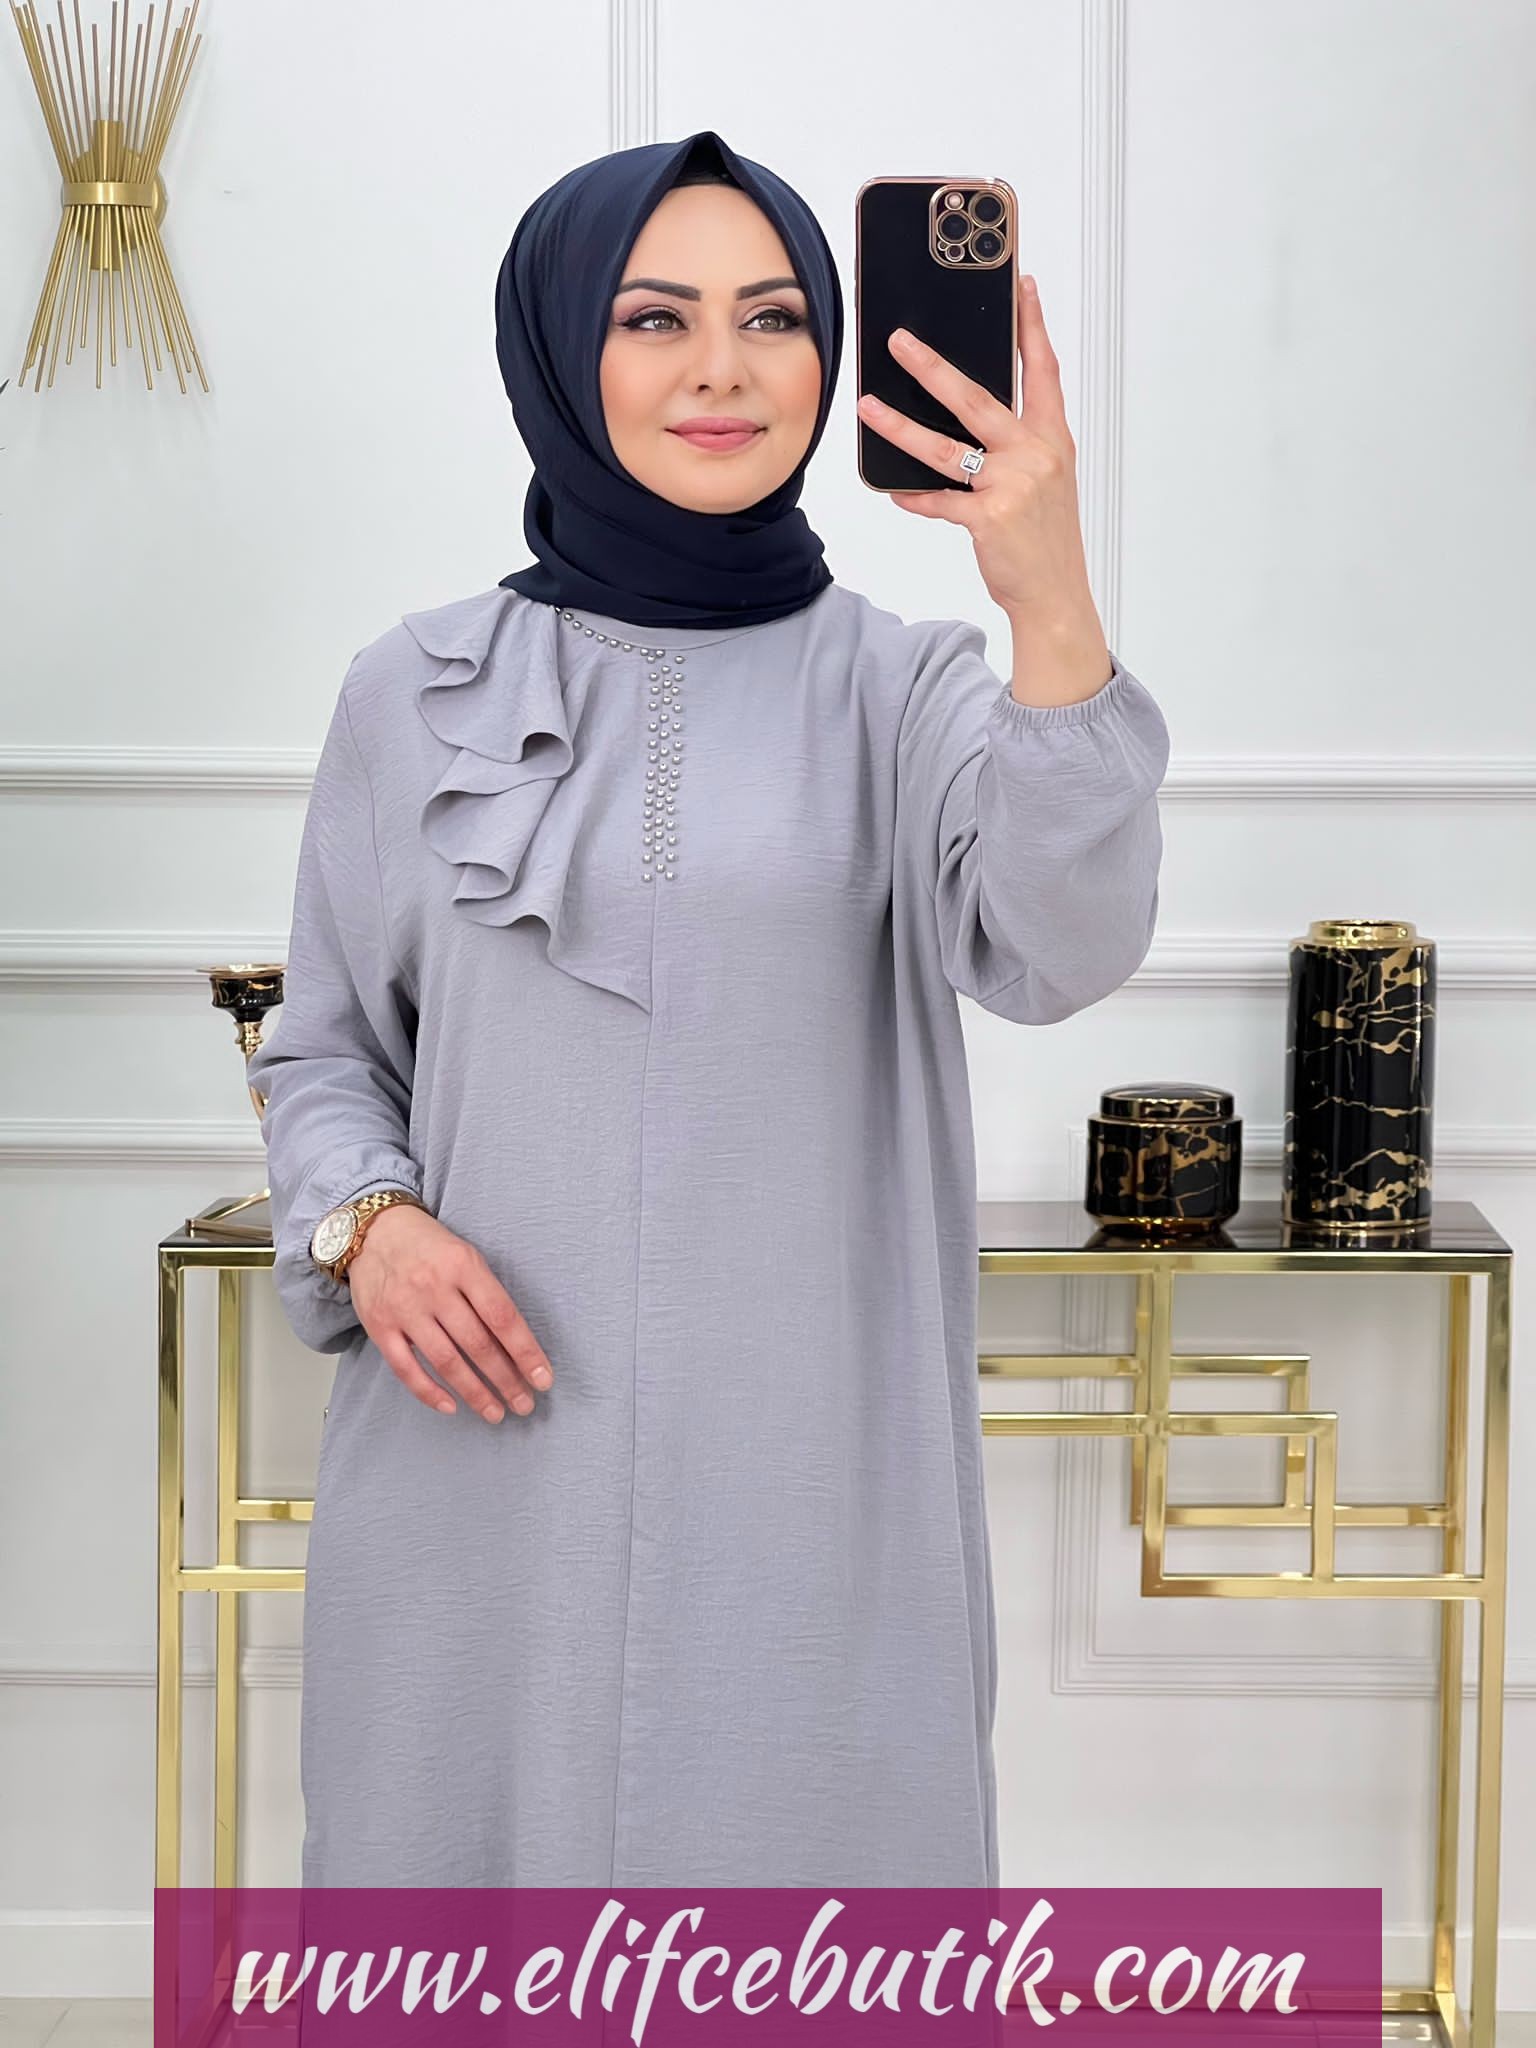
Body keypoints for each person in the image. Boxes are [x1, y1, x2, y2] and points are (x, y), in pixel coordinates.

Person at [248, 128, 1170, 1889]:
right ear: (560, 349)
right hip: (479, 1468)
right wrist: (369, 1225)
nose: (723, 371)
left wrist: (1047, 591)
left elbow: (1064, 948)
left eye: (773, 318)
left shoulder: (907, 693)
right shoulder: (413, 690)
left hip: (808, 1477)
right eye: (656, 318)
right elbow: (326, 1049)